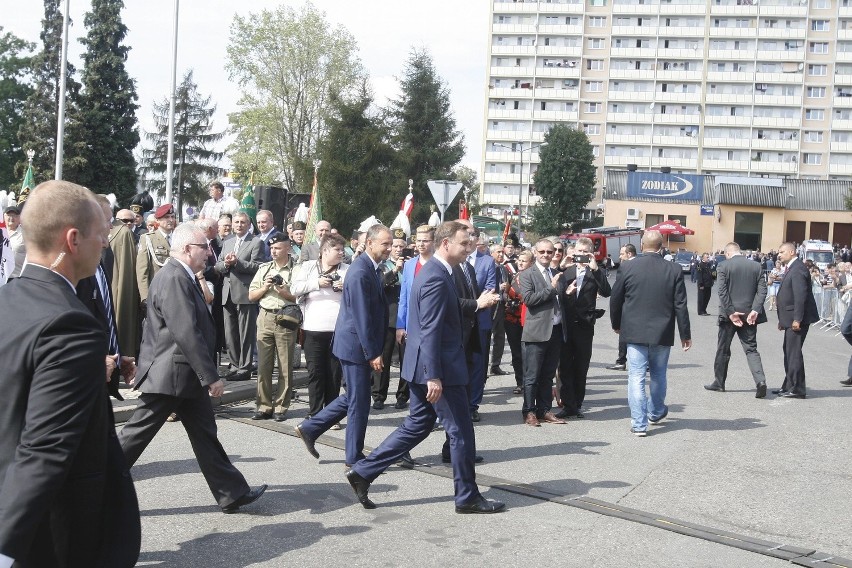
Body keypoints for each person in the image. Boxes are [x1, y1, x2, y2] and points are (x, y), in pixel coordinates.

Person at [0, 181, 140, 567]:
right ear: (73, 239)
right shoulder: (70, 322)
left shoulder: (7, 300)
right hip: (48, 532)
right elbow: (45, 448)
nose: (106, 244)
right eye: (101, 234)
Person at [343, 222, 506, 514]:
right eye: (463, 243)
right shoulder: (436, 275)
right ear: (446, 244)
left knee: (418, 425)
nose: (468, 248)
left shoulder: (437, 271)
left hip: (422, 365)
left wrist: (476, 305)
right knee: (460, 431)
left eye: (469, 243)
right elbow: (430, 328)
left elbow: (446, 309)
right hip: (437, 368)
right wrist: (434, 375)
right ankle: (467, 496)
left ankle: (363, 471)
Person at [119, 222, 267, 514]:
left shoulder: (181, 275)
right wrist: (211, 376)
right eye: (204, 248)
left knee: (205, 434)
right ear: (187, 249)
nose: (209, 254)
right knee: (134, 437)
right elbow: (186, 331)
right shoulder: (174, 277)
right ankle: (90, 481)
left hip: (184, 375)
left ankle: (231, 493)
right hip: (172, 374)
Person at [295, 225, 391, 467]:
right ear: (369, 243)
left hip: (357, 344)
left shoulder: (368, 267)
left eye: (390, 244)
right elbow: (361, 315)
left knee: (356, 397)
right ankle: (354, 457)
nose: (389, 249)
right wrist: (373, 353)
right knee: (360, 401)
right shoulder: (360, 271)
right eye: (385, 244)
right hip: (356, 346)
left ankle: (311, 428)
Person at [610, 230, 691, 437]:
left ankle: (639, 424)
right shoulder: (673, 269)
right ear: (662, 245)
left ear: (641, 244)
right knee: (658, 374)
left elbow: (616, 299)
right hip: (662, 330)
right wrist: (685, 334)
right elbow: (680, 304)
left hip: (634, 330)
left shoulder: (627, 266)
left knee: (636, 376)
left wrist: (616, 324)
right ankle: (655, 412)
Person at [291, 233, 349, 417]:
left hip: (337, 330)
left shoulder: (347, 269)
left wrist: (345, 286)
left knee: (334, 374)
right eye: (337, 249)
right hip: (312, 329)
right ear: (324, 251)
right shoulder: (309, 267)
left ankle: (330, 415)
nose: (341, 253)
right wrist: (316, 283)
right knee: (315, 372)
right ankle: (315, 413)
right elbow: (294, 289)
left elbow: (359, 293)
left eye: (342, 249)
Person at [704, 242, 769, 398]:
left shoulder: (723, 266)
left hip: (728, 316)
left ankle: (719, 383)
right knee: (751, 349)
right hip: (749, 315)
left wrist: (731, 312)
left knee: (723, 349)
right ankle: (761, 381)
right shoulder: (756, 266)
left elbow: (722, 292)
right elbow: (762, 291)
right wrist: (755, 310)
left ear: (727, 253)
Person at [556, 236, 611, 419]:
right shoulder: (567, 271)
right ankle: (567, 405)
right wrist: (561, 267)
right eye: (577, 252)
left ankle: (577, 404)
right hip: (566, 323)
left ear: (590, 254)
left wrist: (595, 269)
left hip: (585, 325)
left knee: (581, 366)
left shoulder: (595, 271)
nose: (580, 255)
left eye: (584, 253)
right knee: (565, 367)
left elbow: (606, 291)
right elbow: (553, 288)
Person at [518, 239, 569, 427]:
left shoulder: (556, 273)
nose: (547, 255)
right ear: (535, 252)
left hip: (555, 330)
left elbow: (558, 300)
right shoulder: (527, 274)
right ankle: (529, 411)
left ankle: (544, 409)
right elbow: (529, 299)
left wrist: (566, 293)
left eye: (550, 251)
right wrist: (552, 288)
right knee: (532, 376)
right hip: (536, 331)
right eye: (543, 252)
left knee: (548, 374)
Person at [248, 233, 298, 421]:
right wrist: (266, 287)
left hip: (286, 317)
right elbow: (251, 296)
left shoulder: (297, 269)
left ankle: (281, 408)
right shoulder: (264, 269)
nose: (274, 251)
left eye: (278, 248)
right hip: (265, 316)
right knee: (264, 365)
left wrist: (285, 293)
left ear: (287, 248)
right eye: (272, 248)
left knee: (285, 366)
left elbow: (300, 297)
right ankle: (264, 406)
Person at [215, 212, 265, 381]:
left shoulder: (256, 242)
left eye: (242, 222)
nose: (238, 225)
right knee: (230, 334)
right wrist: (226, 264)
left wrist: (237, 263)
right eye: (236, 222)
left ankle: (245, 367)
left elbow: (258, 267)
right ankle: (235, 365)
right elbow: (218, 266)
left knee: (246, 334)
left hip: (245, 293)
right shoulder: (227, 242)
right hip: (227, 294)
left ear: (249, 224)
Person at [394, 225, 437, 409]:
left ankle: (434, 409)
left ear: (433, 242)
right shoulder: (410, 265)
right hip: (412, 327)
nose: (420, 244)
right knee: (413, 369)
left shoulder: (439, 264)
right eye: (418, 240)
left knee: (432, 371)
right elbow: (403, 297)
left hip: (433, 326)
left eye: (425, 240)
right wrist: (400, 325)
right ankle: (417, 409)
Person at [772, 242, 820, 399]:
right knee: (788, 351)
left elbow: (800, 297)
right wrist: (783, 320)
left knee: (793, 354)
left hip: (798, 319)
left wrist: (797, 319)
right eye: (779, 252)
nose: (779, 255)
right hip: (790, 318)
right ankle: (788, 385)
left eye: (782, 252)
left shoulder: (798, 269)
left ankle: (798, 388)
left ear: (792, 252)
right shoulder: (792, 268)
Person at [372, 228, 409, 410]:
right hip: (387, 317)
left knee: (406, 360)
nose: (398, 249)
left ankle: (403, 395)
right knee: (383, 359)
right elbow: (380, 284)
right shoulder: (383, 266)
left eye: (401, 246)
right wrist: (395, 270)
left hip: (405, 318)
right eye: (395, 246)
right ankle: (379, 395)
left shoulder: (411, 265)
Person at [137, 203, 176, 313]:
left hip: (176, 292)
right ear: (157, 220)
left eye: (172, 217)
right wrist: (145, 297)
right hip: (157, 293)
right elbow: (142, 271)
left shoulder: (179, 237)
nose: (170, 220)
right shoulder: (148, 239)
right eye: (166, 217)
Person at [505, 249, 532, 394]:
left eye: (524, 261)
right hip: (511, 318)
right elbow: (507, 293)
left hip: (528, 319)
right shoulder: (514, 275)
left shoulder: (534, 276)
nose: (520, 263)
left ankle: (530, 382)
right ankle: (520, 382)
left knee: (528, 352)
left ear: (531, 263)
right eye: (519, 260)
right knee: (516, 353)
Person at [607, 244, 636, 371]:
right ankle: (644, 363)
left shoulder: (624, 267)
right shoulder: (643, 265)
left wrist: (615, 321)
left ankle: (621, 361)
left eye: (622, 253)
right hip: (642, 309)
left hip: (628, 309)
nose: (619, 256)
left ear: (629, 254)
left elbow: (617, 294)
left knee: (624, 336)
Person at [489, 243, 510, 376]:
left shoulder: (503, 268)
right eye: (498, 252)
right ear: (491, 254)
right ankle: (483, 367)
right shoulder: (489, 267)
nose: (501, 254)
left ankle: (495, 365)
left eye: (502, 252)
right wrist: (498, 287)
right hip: (490, 306)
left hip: (502, 306)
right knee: (487, 338)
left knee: (500, 337)